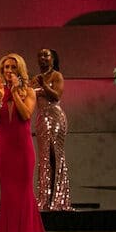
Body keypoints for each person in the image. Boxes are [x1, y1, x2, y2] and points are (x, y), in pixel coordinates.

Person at [0, 53, 116, 232]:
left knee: (23, 195)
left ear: (19, 70)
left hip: (22, 150)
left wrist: (14, 92)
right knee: (9, 197)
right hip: (4, 150)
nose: (9, 71)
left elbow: (25, 115)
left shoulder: (28, 91)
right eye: (5, 67)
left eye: (13, 67)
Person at [31, 48, 72, 211]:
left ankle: (58, 197)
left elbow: (56, 96)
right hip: (41, 118)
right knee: (44, 157)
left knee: (55, 154)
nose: (42, 58)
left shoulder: (56, 76)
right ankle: (45, 197)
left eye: (46, 55)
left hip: (55, 116)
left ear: (53, 59)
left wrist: (43, 86)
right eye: (39, 55)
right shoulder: (35, 79)